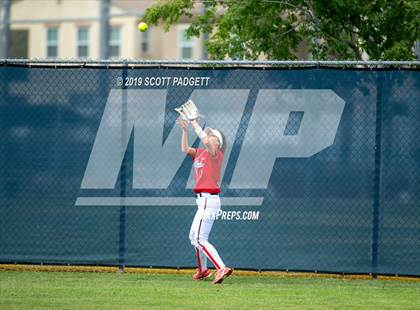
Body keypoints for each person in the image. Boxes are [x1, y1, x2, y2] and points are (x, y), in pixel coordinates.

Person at [176, 117, 233, 284]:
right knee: (194, 236)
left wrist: (194, 123)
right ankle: (202, 270)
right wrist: (185, 130)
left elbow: (206, 141)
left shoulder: (216, 154)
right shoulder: (200, 153)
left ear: (218, 143)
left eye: (213, 136)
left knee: (200, 238)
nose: (209, 136)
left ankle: (221, 267)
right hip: (202, 202)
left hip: (209, 200)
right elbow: (185, 148)